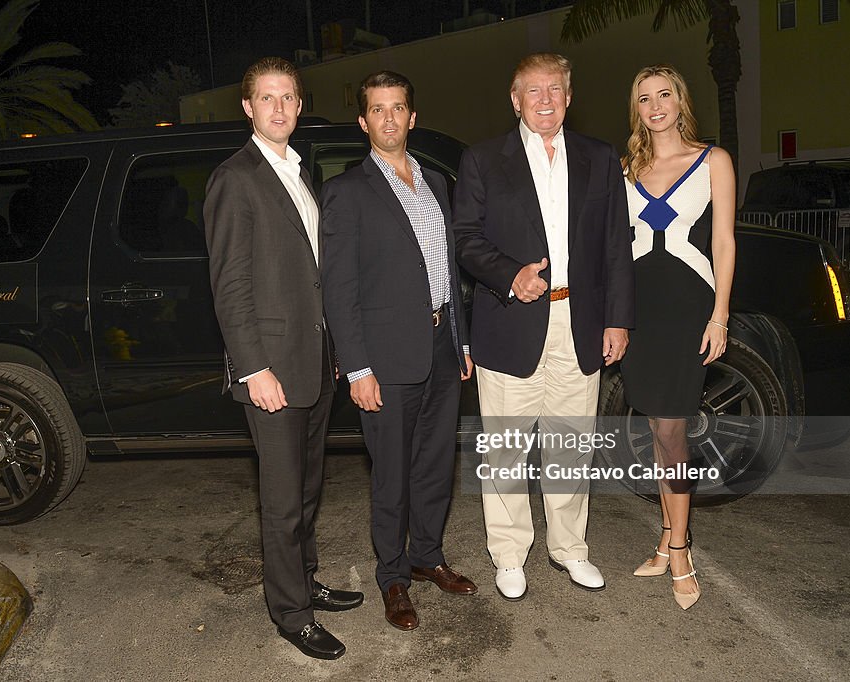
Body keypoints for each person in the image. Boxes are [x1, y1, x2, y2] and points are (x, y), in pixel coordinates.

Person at [453, 53, 635, 601]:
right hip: (511, 322)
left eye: (554, 89)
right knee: (507, 448)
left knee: (571, 445)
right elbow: (464, 237)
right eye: (533, 91)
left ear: (569, 96)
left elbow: (615, 247)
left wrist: (618, 320)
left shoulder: (599, 158)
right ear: (515, 100)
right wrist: (510, 277)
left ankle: (570, 550)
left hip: (580, 323)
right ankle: (509, 555)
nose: (545, 100)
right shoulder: (484, 159)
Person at [203, 56, 363, 660]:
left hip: (314, 362)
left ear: (299, 105)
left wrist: (336, 351)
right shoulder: (235, 178)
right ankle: (290, 611)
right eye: (266, 98)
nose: (278, 108)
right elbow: (230, 285)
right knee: (280, 497)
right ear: (248, 108)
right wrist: (253, 367)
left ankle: (306, 581)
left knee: (308, 488)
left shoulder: (299, 171)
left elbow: (313, 277)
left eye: (288, 97)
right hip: (271, 369)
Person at [321, 71, 477, 632]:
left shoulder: (436, 181)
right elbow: (339, 288)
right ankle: (392, 576)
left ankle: (427, 555)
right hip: (385, 356)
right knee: (391, 473)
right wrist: (357, 365)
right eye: (378, 109)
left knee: (436, 464)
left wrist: (459, 338)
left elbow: (449, 270)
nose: (389, 118)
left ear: (413, 116)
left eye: (399, 107)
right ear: (363, 122)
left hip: (439, 344)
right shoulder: (345, 191)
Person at [620, 64, 735, 610]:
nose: (656, 105)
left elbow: (725, 243)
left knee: (672, 432)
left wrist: (720, 316)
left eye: (665, 94)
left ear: (680, 100)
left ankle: (682, 548)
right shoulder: (628, 168)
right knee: (655, 426)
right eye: (645, 98)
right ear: (637, 109)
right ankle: (665, 541)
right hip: (641, 309)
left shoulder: (713, 161)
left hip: (689, 308)